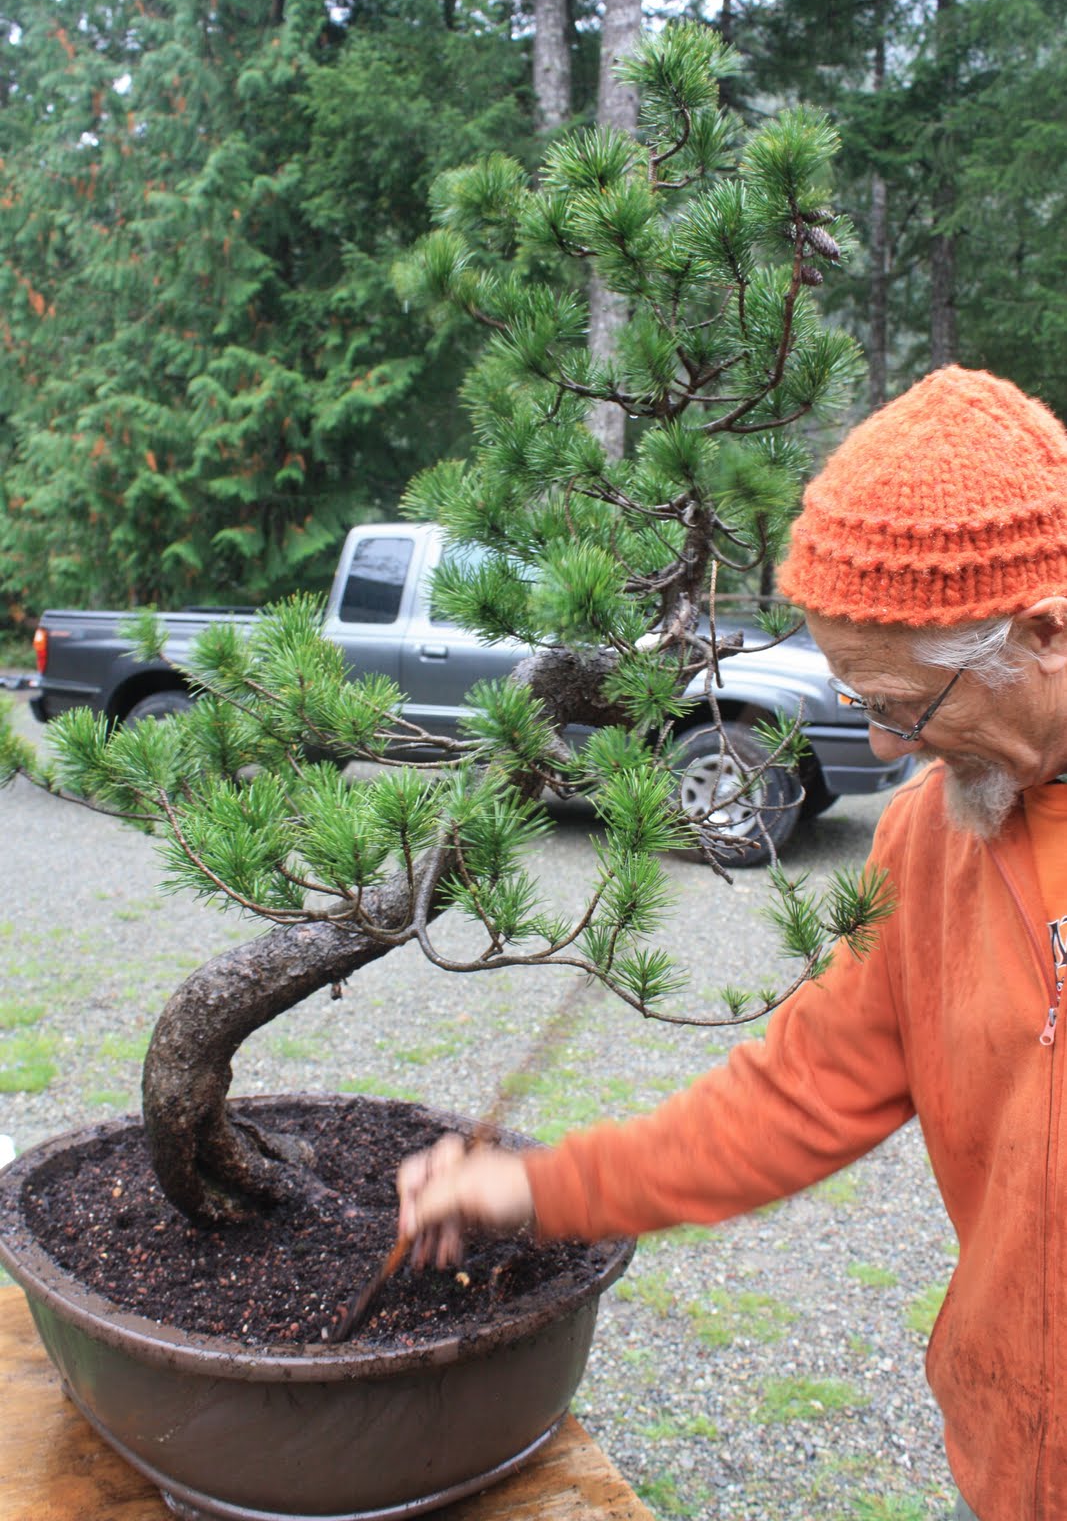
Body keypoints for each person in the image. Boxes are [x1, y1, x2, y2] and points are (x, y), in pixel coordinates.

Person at [397, 365, 1067, 1521]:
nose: (884, 745)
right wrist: (539, 1187)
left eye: (901, 703)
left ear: (1045, 631)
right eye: (855, 695)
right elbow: (800, 1094)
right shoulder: (927, 839)